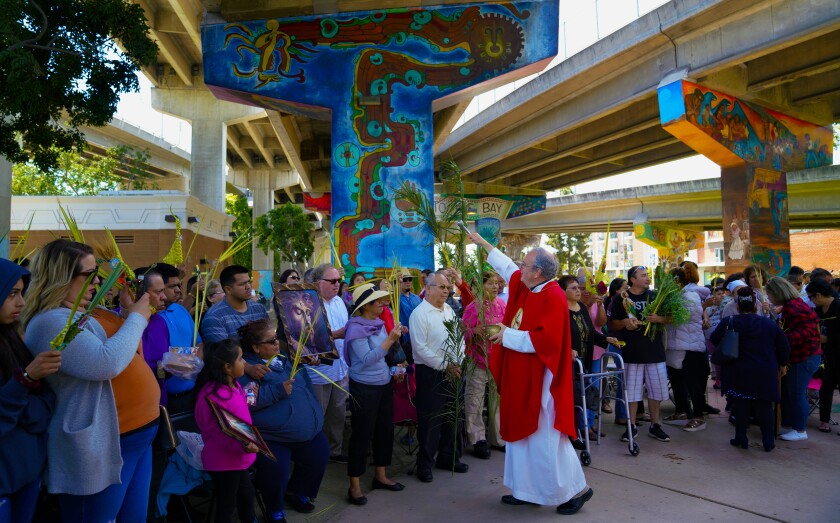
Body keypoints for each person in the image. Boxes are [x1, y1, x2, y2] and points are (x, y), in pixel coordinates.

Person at [21, 239, 153, 523]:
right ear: (61, 276)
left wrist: (129, 316)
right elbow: (105, 363)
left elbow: (128, 352)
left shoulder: (81, 312)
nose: (97, 281)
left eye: (98, 274)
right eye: (89, 275)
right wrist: (138, 319)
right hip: (100, 443)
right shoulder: (51, 321)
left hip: (135, 433)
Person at [467, 231, 593, 515]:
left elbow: (545, 340)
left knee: (547, 440)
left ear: (537, 272)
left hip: (542, 380)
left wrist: (505, 334)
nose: (519, 267)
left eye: (525, 264)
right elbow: (508, 268)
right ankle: (527, 490)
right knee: (521, 437)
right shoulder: (529, 285)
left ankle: (577, 490)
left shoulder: (553, 297)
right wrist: (485, 244)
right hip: (522, 375)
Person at [236, 319, 329, 522]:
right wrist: (277, 391)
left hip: (305, 431)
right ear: (256, 347)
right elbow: (248, 402)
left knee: (320, 453)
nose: (277, 343)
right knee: (276, 470)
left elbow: (305, 387)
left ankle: (297, 491)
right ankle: (274, 508)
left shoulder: (284, 359)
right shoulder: (248, 371)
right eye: (271, 341)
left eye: (276, 338)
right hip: (272, 436)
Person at [0, 258, 59, 523]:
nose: (21, 302)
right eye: (12, 293)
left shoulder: (14, 338)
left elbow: (45, 403)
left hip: (28, 471)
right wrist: (24, 381)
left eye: (22, 293)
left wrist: (24, 398)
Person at [343, 284, 405, 505]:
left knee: (384, 432)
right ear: (366, 306)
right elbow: (368, 359)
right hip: (364, 389)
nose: (383, 304)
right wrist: (390, 339)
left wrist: (395, 368)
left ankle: (380, 475)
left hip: (383, 385)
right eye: (378, 301)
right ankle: (355, 486)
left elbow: (383, 359)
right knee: (361, 435)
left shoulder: (377, 324)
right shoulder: (355, 329)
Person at [711, 287, 790, 451]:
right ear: (756, 306)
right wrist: (783, 364)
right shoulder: (769, 324)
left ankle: (741, 438)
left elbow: (713, 338)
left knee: (740, 406)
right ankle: (768, 441)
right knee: (764, 406)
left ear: (738, 307)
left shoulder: (730, 322)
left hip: (737, 371)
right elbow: (783, 346)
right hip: (765, 371)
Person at [409, 270, 468, 483]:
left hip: (454, 370)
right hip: (431, 374)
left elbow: (459, 339)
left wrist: (458, 361)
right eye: (442, 287)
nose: (447, 290)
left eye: (448, 287)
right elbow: (420, 348)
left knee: (453, 417)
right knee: (431, 421)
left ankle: (449, 457)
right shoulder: (419, 314)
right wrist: (445, 366)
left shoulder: (449, 311)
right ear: (429, 288)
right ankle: (424, 464)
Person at [194, 339, 258, 523]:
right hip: (225, 461)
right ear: (228, 367)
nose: (245, 363)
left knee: (246, 497)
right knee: (227, 506)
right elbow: (219, 432)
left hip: (238, 459)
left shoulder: (234, 385)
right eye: (241, 359)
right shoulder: (214, 396)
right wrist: (244, 446)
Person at [608, 265, 672, 443]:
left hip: (654, 352)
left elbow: (670, 317)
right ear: (632, 279)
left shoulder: (655, 296)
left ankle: (655, 425)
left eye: (647, 275)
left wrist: (660, 319)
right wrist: (625, 323)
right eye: (643, 275)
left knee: (656, 392)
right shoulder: (622, 298)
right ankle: (631, 426)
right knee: (633, 393)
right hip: (632, 352)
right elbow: (612, 324)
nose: (647, 278)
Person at [558, 275, 618, 442]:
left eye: (579, 287)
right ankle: (570, 434)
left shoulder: (582, 308)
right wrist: (566, 350)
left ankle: (579, 430)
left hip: (584, 361)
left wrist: (606, 339)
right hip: (566, 363)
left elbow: (591, 333)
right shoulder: (560, 309)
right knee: (570, 399)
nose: (578, 291)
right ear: (562, 291)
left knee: (581, 397)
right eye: (574, 288)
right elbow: (555, 336)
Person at [765, 276, 821, 441]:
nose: (769, 298)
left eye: (770, 294)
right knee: (793, 393)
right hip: (804, 356)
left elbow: (807, 332)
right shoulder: (791, 306)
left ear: (777, 292)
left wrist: (782, 338)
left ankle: (800, 430)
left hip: (805, 357)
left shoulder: (793, 308)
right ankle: (793, 425)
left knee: (797, 393)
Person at [140, 268, 202, 411]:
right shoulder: (150, 321)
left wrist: (190, 362)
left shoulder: (179, 310)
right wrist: (185, 361)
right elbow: (158, 363)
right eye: (171, 287)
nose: (178, 290)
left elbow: (200, 344)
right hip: (162, 399)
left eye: (179, 286)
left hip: (192, 393)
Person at [306, 263, 350, 462]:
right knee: (317, 415)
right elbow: (305, 339)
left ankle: (335, 450)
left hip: (341, 369)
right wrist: (336, 334)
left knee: (338, 413)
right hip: (319, 372)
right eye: (331, 281)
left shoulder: (340, 302)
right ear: (317, 283)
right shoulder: (307, 305)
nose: (336, 284)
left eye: (338, 281)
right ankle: (314, 454)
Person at [462, 272, 506, 459]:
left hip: (497, 359)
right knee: (475, 399)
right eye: (490, 284)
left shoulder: (503, 305)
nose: (495, 287)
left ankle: (498, 438)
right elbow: (463, 335)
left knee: (498, 400)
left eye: (497, 283)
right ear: (480, 287)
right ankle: (477, 438)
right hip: (478, 359)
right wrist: (475, 331)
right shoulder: (473, 307)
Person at [664, 266, 709, 432]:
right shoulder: (675, 295)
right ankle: (681, 411)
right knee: (677, 381)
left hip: (690, 345)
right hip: (676, 345)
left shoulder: (690, 295)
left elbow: (684, 316)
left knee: (693, 383)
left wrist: (661, 318)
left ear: (677, 281)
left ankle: (698, 416)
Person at [201, 265, 269, 343]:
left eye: (249, 282)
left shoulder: (259, 309)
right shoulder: (214, 317)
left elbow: (270, 340)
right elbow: (221, 353)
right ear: (228, 289)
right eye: (242, 284)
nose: (248, 287)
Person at [806, 279, 840, 434]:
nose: (812, 301)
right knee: (825, 388)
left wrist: (826, 338)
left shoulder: (838, 306)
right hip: (826, 356)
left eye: (812, 297)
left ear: (818, 295)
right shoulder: (818, 311)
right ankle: (824, 420)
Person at [604, 277, 629, 425]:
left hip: (622, 343)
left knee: (625, 379)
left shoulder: (623, 301)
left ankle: (627, 413)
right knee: (622, 379)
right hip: (617, 343)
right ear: (617, 290)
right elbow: (612, 325)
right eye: (625, 288)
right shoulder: (613, 302)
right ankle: (621, 414)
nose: (628, 290)